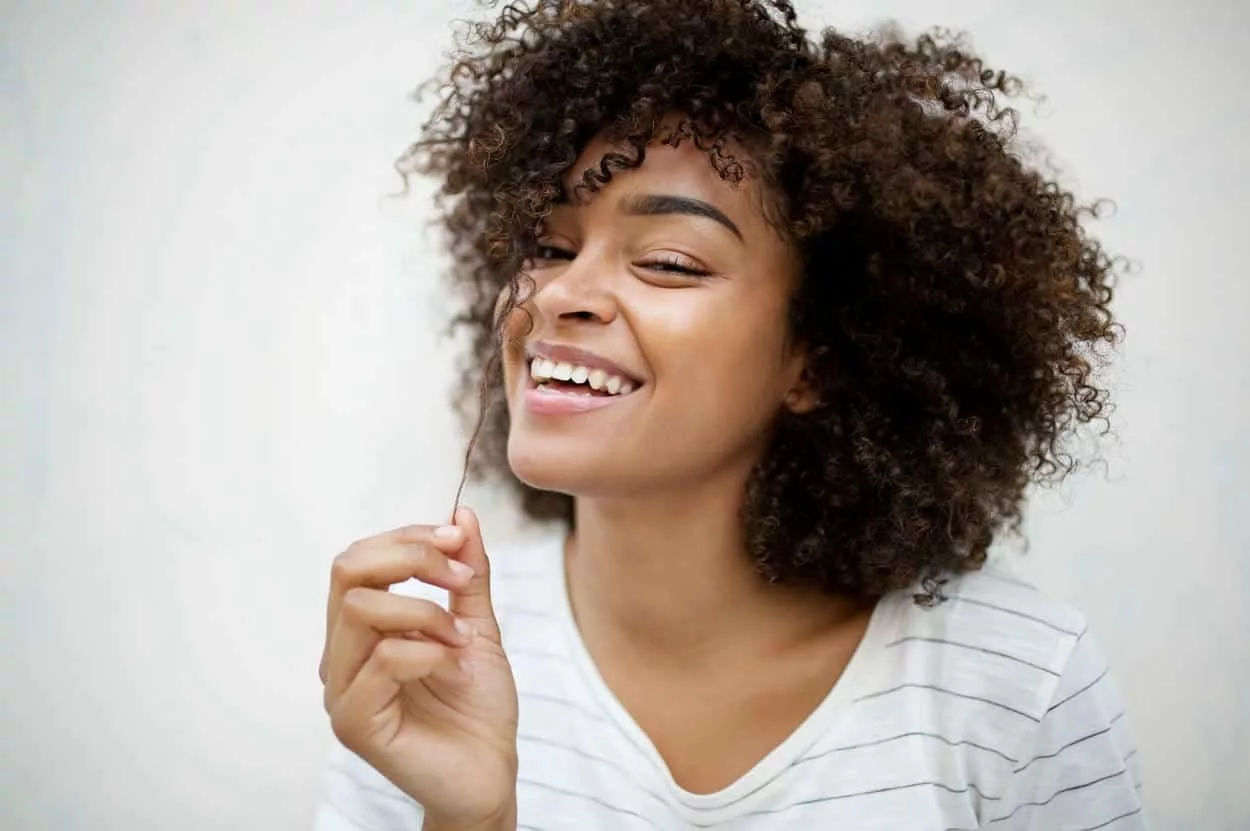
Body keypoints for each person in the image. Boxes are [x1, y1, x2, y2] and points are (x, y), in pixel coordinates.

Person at [314, 1, 1146, 829]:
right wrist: (471, 817)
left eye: (670, 262)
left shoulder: (1017, 684)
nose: (559, 295)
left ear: (816, 358)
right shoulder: (426, 661)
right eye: (550, 247)